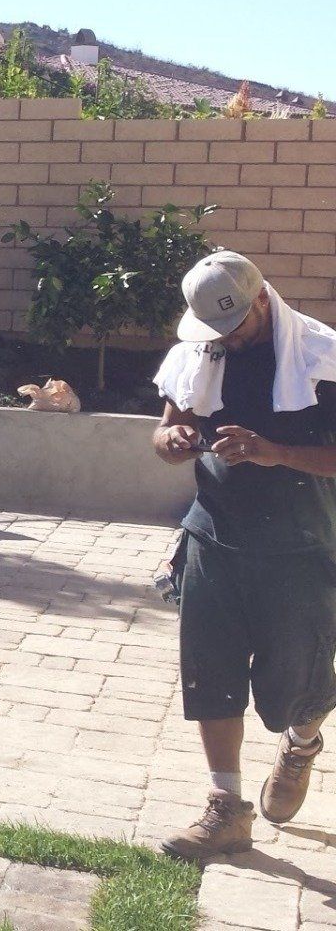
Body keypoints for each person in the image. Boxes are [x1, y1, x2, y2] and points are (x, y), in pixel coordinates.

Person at [151, 251, 336, 862]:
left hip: (300, 545)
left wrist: (274, 452)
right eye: (214, 331)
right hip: (214, 536)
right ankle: (226, 807)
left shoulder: (322, 360)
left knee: (294, 683)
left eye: (234, 327)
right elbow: (164, 431)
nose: (223, 341)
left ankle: (300, 743)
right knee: (211, 671)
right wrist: (173, 440)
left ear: (261, 300)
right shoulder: (197, 354)